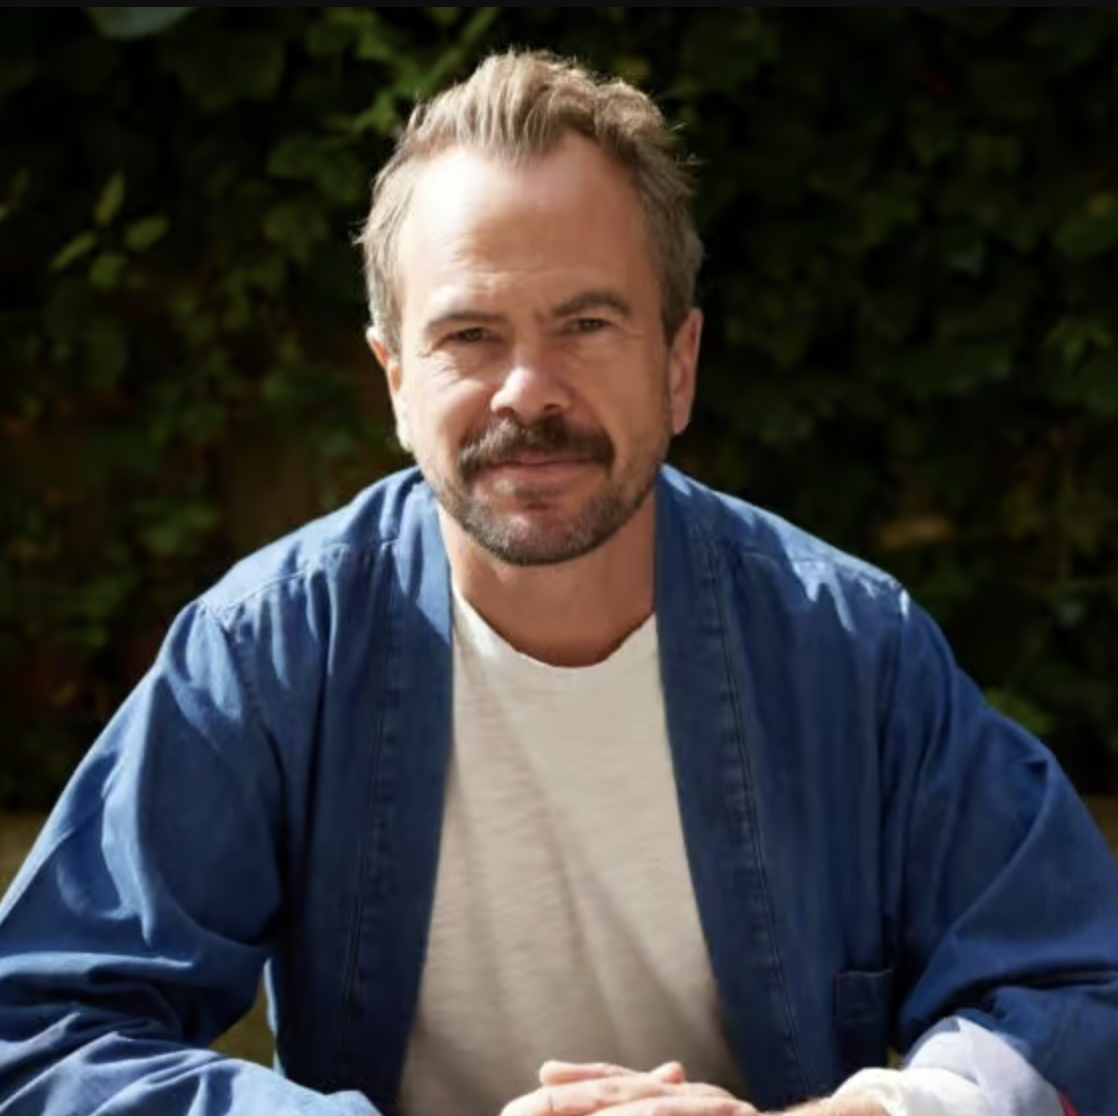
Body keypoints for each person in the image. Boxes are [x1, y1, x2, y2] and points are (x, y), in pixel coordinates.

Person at [0, 49, 1116, 1116]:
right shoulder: (269, 650)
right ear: (394, 380)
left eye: (585, 323)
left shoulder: (853, 650)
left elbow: (1076, 991)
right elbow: (46, 1027)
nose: (525, 393)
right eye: (470, 334)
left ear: (676, 364)